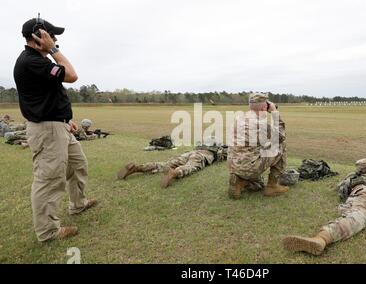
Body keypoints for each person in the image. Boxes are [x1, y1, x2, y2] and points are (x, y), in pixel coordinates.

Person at [13, 16, 97, 242]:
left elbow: (50, 95)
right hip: (47, 130)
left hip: (58, 125)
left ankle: (78, 204)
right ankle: (48, 231)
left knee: (78, 164)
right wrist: (53, 50)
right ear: (38, 36)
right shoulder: (33, 61)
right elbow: (71, 75)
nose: (56, 39)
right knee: (49, 179)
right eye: (52, 35)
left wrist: (65, 118)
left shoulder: (37, 62)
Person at [117, 141, 265, 191]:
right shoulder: (221, 148)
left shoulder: (204, 141)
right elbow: (228, 155)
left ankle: (138, 167)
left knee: (166, 164)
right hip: (202, 155)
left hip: (190, 152)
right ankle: (175, 174)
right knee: (190, 167)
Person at [227, 92, 288, 199]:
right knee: (281, 145)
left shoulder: (238, 119)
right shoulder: (261, 123)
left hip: (233, 165)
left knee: (257, 149)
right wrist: (274, 112)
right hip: (250, 167)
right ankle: (272, 186)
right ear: (265, 107)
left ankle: (239, 181)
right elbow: (281, 136)